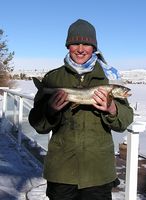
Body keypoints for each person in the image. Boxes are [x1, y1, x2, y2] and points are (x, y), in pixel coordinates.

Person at [29, 19, 133, 200]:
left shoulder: (110, 77)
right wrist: (50, 110)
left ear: (94, 47)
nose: (80, 48)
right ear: (68, 46)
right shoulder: (53, 78)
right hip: (61, 172)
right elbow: (38, 124)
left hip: (98, 172)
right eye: (75, 43)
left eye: (86, 44)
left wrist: (112, 108)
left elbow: (125, 120)